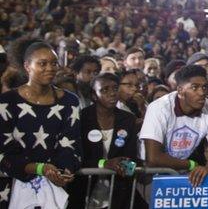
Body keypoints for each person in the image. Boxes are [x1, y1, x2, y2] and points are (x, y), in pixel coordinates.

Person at [0, 42, 82, 209]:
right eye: (42, 63)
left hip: (53, 187)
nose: (50, 68)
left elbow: (71, 143)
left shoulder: (69, 101)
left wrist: (63, 171)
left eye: (54, 63)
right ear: (27, 66)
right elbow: (4, 151)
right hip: (10, 188)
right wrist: (39, 168)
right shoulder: (7, 102)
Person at [139, 64, 208, 187]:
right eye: (195, 87)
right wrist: (192, 165)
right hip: (149, 173)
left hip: (180, 172)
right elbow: (153, 158)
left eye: (204, 87)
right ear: (181, 90)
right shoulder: (159, 108)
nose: (202, 92)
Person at [68, 73, 139, 209]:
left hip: (118, 191)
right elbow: (76, 157)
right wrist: (104, 164)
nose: (112, 93)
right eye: (104, 90)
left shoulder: (128, 119)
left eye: (115, 88)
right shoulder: (82, 118)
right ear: (94, 95)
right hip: (84, 190)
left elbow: (131, 158)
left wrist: (126, 166)